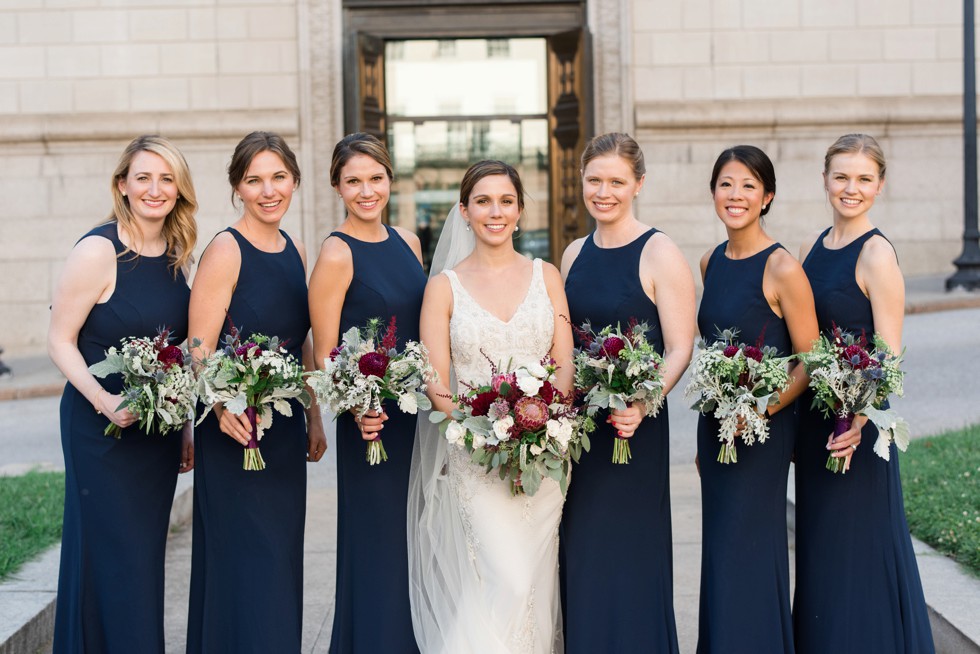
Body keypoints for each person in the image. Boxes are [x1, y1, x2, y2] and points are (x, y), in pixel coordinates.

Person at [408, 160, 574, 653]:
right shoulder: (443, 287)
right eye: (482, 201)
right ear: (464, 211)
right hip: (479, 458)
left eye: (505, 201)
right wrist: (486, 431)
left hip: (545, 459)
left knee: (534, 585)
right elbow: (436, 382)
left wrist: (542, 424)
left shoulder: (547, 276)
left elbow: (563, 363)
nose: (494, 212)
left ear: (521, 210)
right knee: (509, 579)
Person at [48, 135, 197, 652]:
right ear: (122, 186)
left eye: (166, 178)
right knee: (107, 556)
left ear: (179, 189)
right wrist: (102, 400)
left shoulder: (180, 256)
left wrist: (182, 429)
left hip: (154, 436)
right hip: (100, 431)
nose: (155, 189)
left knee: (141, 560)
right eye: (143, 178)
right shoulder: (98, 250)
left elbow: (178, 353)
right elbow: (60, 341)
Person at [793, 134, 934, 653]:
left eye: (864, 179)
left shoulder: (877, 255)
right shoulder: (811, 247)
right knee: (821, 553)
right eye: (841, 177)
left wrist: (857, 418)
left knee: (858, 553)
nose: (851, 189)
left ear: (880, 185)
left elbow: (889, 356)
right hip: (817, 425)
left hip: (858, 428)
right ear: (826, 179)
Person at [185, 131, 325, 653]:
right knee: (245, 559)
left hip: (284, 432)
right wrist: (221, 409)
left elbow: (303, 341)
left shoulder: (297, 249)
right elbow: (199, 348)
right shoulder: (225, 249)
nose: (269, 190)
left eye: (279, 177)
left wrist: (312, 416)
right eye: (254, 180)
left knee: (281, 556)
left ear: (294, 180)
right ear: (237, 188)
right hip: (236, 431)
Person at [559, 133, 695, 653]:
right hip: (582, 434)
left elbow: (681, 346)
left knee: (632, 552)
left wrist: (643, 401)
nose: (604, 191)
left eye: (616, 181)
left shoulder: (660, 251)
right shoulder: (574, 253)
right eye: (595, 180)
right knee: (585, 549)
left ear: (638, 184)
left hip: (635, 430)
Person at [695, 145, 817, 653]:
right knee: (720, 554)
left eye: (748, 185)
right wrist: (712, 431)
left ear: (767, 197)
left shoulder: (783, 267)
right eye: (726, 184)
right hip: (717, 427)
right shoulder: (710, 261)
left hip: (763, 430)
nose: (736, 195)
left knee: (749, 548)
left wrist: (759, 409)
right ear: (714, 193)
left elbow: (811, 359)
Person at [308, 132, 426, 653]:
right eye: (353, 181)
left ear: (390, 179)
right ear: (337, 185)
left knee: (413, 537)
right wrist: (357, 407)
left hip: (414, 415)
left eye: (375, 178)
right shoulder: (336, 253)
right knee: (377, 541)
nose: (366, 191)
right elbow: (325, 350)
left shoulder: (408, 242)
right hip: (371, 422)